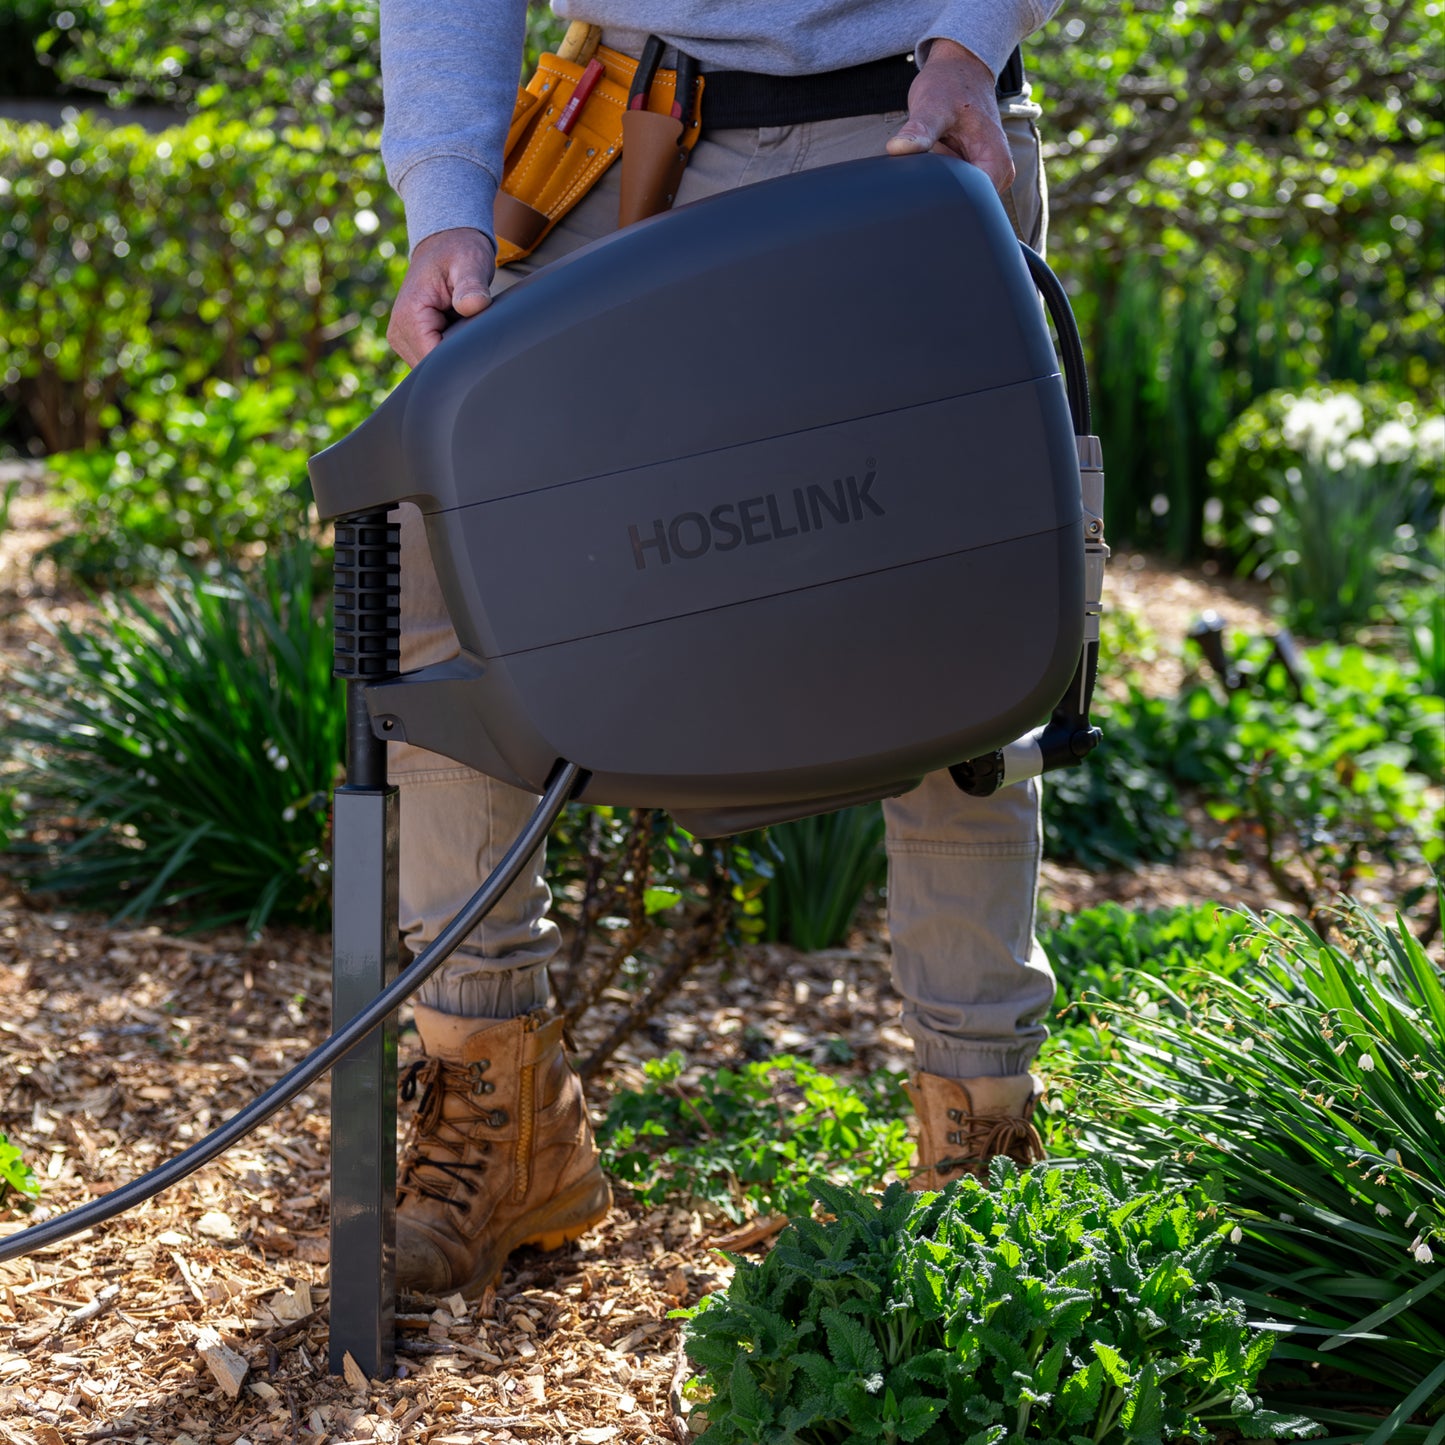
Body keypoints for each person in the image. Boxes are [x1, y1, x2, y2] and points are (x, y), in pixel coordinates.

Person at [377, 0, 1065, 1300]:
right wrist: (444, 200)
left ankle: (981, 1131)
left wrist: (971, 45)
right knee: (451, 590)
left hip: (911, 123)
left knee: (947, 612)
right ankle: (497, 1110)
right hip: (614, 134)